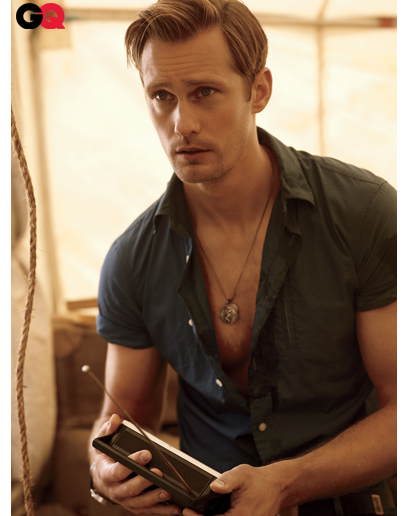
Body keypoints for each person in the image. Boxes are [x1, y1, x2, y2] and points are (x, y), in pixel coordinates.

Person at [88, 0, 397, 515]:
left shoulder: (363, 212)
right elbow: (121, 417)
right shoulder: (132, 258)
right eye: (162, 95)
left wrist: (286, 484)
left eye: (204, 92)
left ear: (259, 90)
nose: (182, 122)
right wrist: (104, 473)